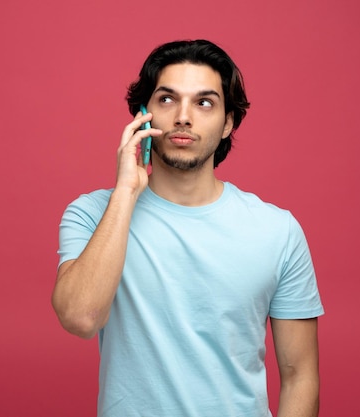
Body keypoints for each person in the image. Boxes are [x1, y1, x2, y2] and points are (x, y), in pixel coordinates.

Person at [52, 39, 324, 417]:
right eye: (166, 99)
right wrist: (126, 192)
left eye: (204, 102)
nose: (183, 116)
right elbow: (80, 318)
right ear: (142, 116)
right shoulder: (93, 213)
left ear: (228, 122)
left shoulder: (278, 231)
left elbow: (300, 376)